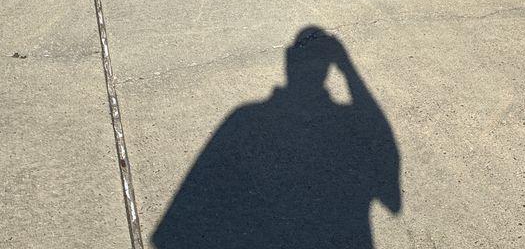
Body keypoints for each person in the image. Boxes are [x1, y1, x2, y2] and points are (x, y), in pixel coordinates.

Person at [152, 27, 401, 249]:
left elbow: (175, 229)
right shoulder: (349, 122)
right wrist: (348, 69)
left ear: (290, 61)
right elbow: (391, 194)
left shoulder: (244, 118)